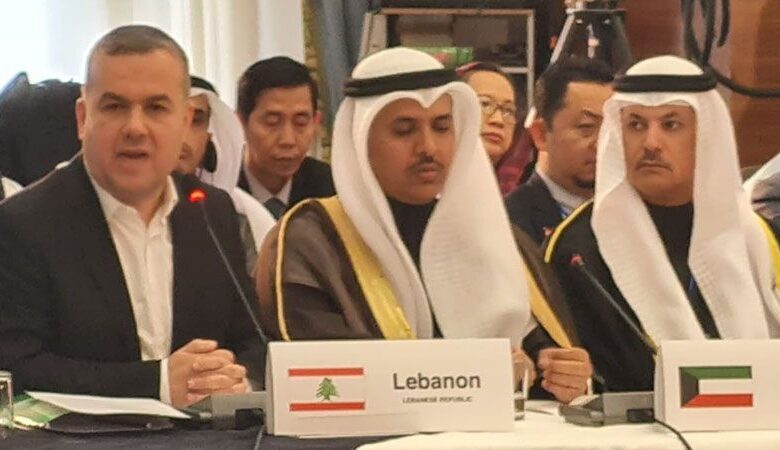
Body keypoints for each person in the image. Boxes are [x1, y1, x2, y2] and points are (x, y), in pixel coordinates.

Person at [256, 47, 592, 404]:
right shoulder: (311, 240)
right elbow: (321, 379)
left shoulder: (493, 236)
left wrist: (560, 373)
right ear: (360, 139)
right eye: (404, 130)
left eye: (442, 128)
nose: (428, 148)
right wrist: (474, 373)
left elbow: (538, 354)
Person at [0, 25, 264, 407]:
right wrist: (157, 383)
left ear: (185, 121)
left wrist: (234, 379)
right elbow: (15, 367)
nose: (135, 128)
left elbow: (252, 341)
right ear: (82, 118)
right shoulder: (23, 224)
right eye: (114, 107)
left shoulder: (212, 211)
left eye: (156, 108)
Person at [545, 55, 780, 392]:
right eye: (636, 125)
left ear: (705, 136)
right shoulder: (577, 248)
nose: (651, 143)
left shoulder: (757, 237)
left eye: (670, 125)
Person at [505, 58, 613, 245]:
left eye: (611, 130)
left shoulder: (631, 213)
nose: (601, 144)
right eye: (586, 127)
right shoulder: (510, 223)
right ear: (541, 134)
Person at [177, 76, 275, 272]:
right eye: (174, 119)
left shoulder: (241, 214)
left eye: (196, 121)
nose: (182, 135)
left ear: (209, 137)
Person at [236, 56, 335, 220]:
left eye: (300, 123)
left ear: (316, 122)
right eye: (272, 122)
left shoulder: (331, 190)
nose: (288, 140)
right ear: (240, 123)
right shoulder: (219, 189)